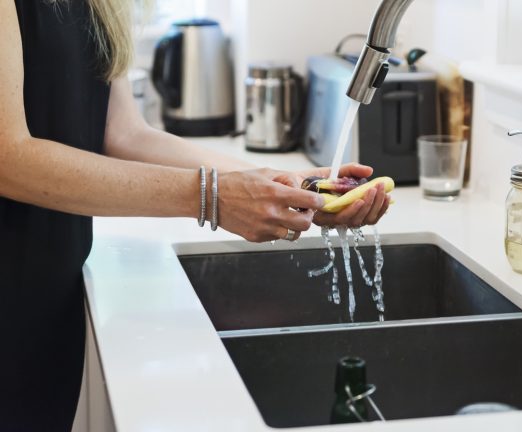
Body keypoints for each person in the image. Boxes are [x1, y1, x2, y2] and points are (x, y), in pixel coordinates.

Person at [0, 1, 390, 430]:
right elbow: (8, 158)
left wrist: (289, 183)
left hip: (51, 300)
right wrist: (212, 197)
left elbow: (123, 133)